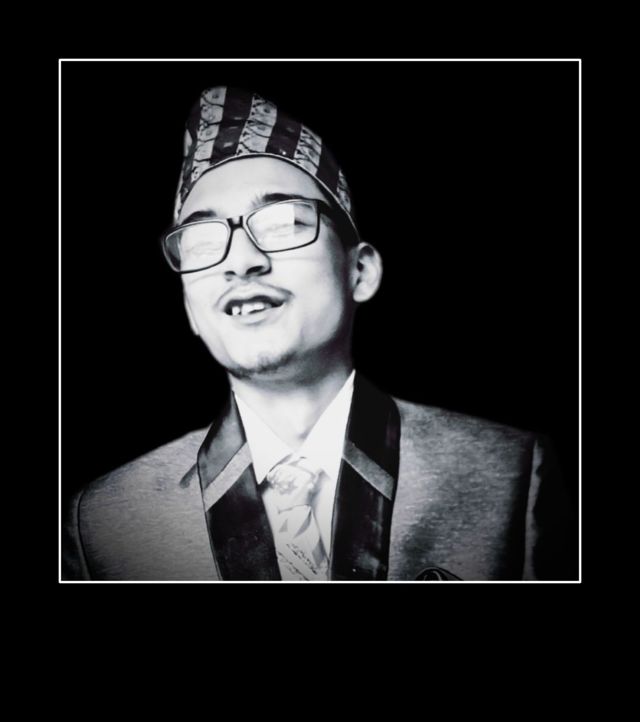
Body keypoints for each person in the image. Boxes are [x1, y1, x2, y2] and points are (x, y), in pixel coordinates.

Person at [62, 85, 577, 582]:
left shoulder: (509, 476)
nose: (241, 261)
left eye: (283, 221)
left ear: (360, 271)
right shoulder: (105, 523)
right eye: (202, 240)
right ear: (190, 309)